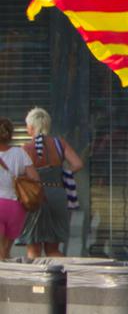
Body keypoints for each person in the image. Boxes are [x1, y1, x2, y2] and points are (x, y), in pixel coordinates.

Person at [19, 108, 81, 259]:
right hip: (58, 195)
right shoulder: (60, 143)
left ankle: (36, 282)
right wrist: (64, 173)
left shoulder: (26, 149)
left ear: (32, 127)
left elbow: (20, 174)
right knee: (53, 250)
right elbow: (78, 164)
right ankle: (60, 280)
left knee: (34, 249)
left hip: (35, 197)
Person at [0, 118, 38, 262]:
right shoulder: (20, 153)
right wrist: (19, 177)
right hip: (16, 207)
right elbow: (35, 178)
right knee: (5, 254)